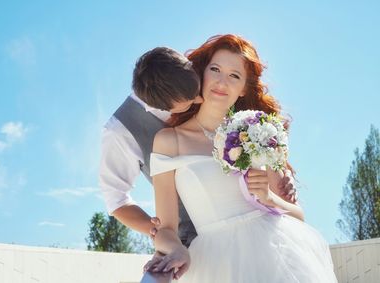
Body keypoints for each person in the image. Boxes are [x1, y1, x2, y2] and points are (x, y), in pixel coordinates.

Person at [146, 34, 337, 282]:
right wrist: (177, 249)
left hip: (278, 253)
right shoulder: (168, 140)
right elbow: (166, 230)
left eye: (234, 75)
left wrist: (268, 198)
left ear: (244, 87)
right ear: (202, 73)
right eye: (215, 69)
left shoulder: (257, 131)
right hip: (215, 263)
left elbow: (297, 215)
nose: (221, 81)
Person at [100, 46, 298, 249]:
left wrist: (279, 173)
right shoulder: (120, 131)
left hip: (258, 229)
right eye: (191, 101)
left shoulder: (185, 72)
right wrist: (161, 233)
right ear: (166, 106)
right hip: (194, 244)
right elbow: (117, 201)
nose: (201, 99)